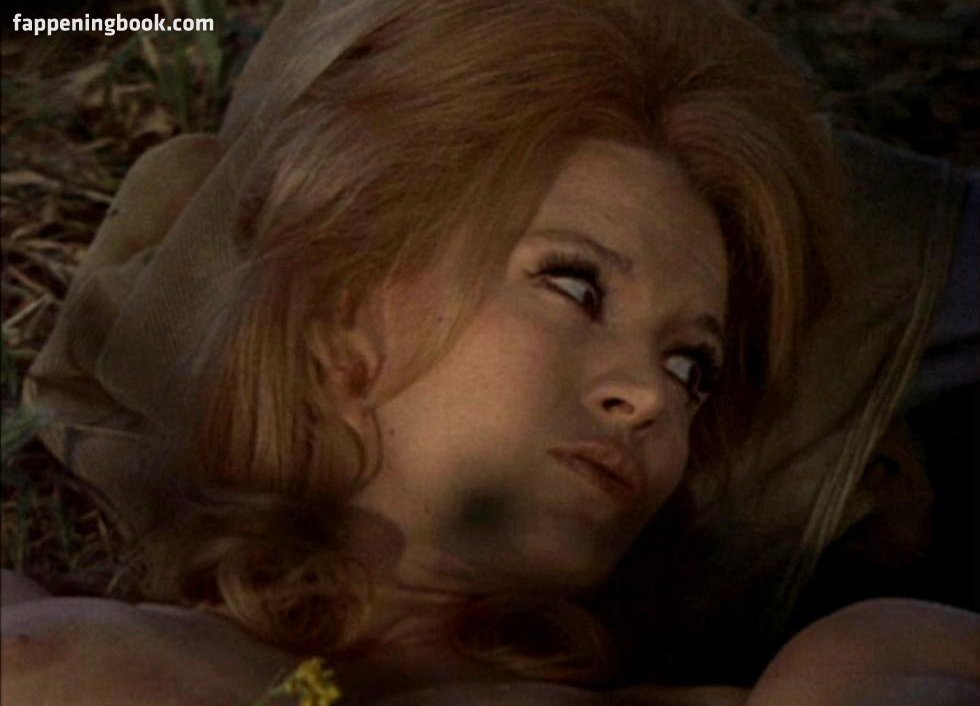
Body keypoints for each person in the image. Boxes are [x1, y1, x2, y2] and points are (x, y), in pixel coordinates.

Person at [3, 0, 978, 704]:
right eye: (575, 286)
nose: (650, 395)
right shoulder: (53, 636)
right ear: (342, 321)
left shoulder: (855, 666)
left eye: (693, 368)